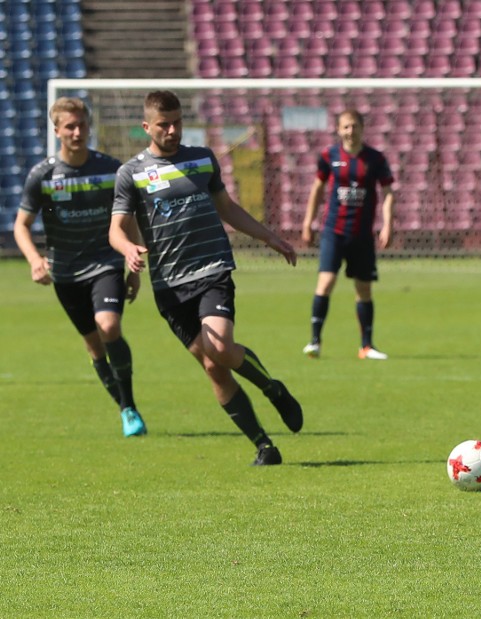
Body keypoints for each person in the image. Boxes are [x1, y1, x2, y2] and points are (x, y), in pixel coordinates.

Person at [109, 90, 302, 466]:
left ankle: (272, 389)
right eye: (164, 124)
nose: (173, 129)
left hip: (212, 268)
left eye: (178, 121)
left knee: (221, 348)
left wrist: (270, 237)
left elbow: (226, 207)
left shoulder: (201, 159)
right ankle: (264, 446)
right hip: (168, 285)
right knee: (214, 367)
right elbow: (116, 229)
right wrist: (128, 249)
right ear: (147, 126)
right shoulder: (131, 173)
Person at [13, 97, 147, 437]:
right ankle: (125, 408)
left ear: (89, 127)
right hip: (66, 273)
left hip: (105, 264)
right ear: (57, 130)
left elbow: (126, 217)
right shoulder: (42, 175)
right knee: (93, 345)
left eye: (82, 125)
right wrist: (34, 261)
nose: (77, 132)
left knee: (109, 325)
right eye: (69, 127)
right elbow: (21, 225)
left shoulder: (110, 169)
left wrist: (133, 263)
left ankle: (129, 405)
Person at [301, 109, 395, 360]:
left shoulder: (375, 159)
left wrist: (387, 224)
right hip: (334, 231)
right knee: (326, 282)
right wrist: (308, 221)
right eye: (346, 127)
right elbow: (318, 188)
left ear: (363, 128)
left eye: (354, 126)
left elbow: (387, 192)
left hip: (362, 234)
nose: (350, 131)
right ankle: (315, 341)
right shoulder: (329, 156)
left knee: (363, 288)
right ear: (339, 130)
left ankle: (366, 346)